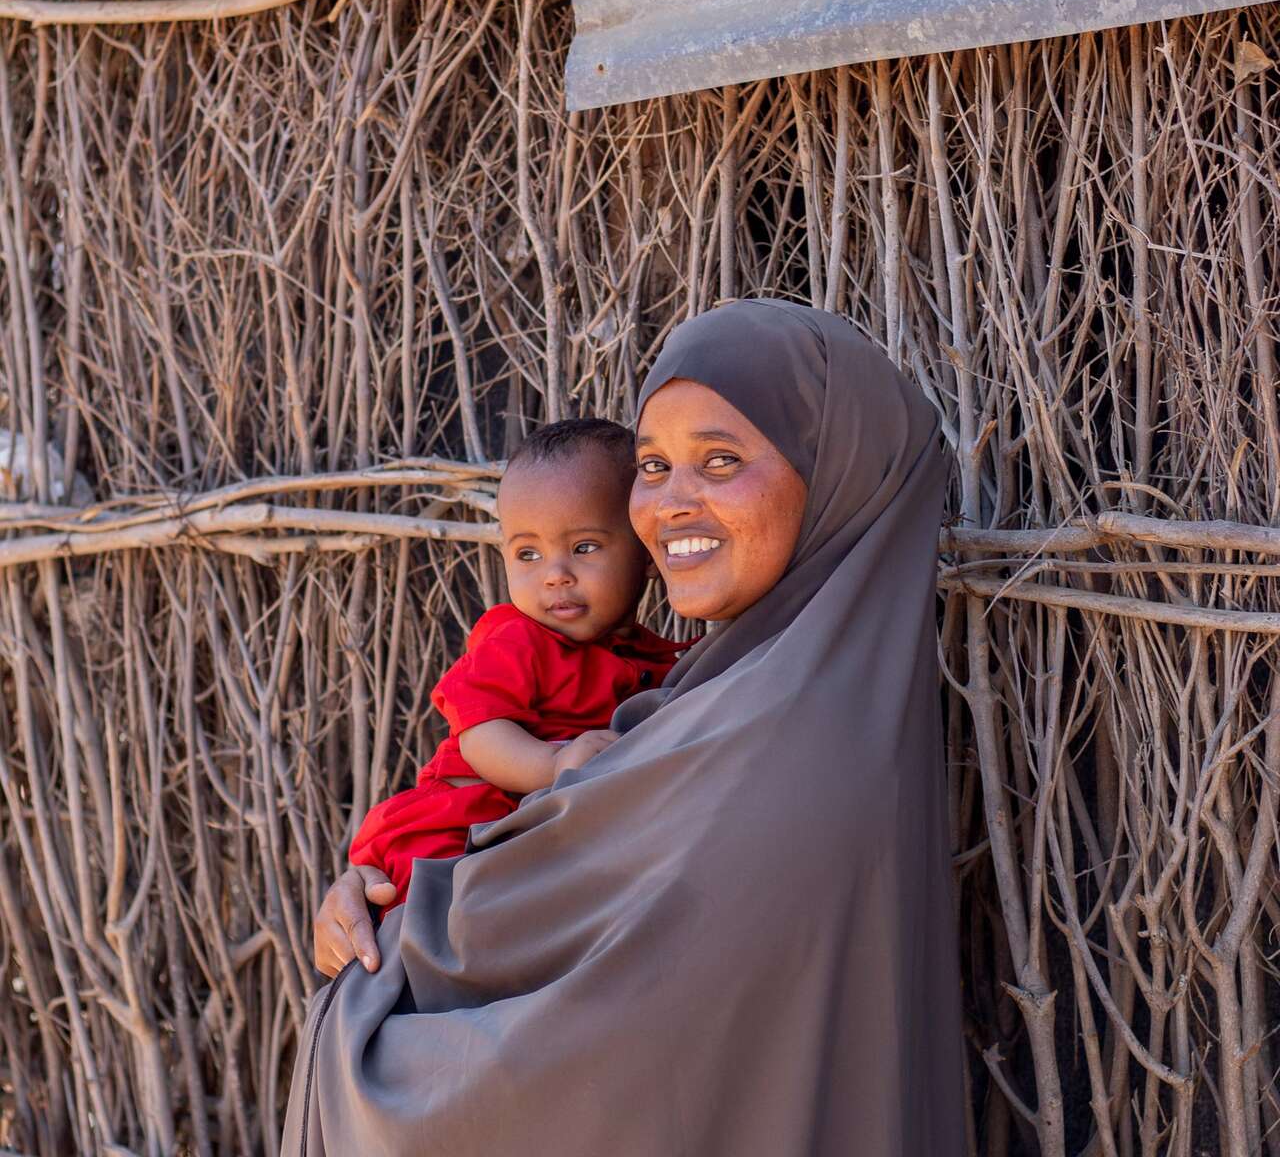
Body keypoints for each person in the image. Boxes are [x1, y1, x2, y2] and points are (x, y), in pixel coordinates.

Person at [286, 299, 965, 1156]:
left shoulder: (784, 750)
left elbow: (592, 1063)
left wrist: (374, 977)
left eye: (720, 460)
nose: (671, 503)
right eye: (653, 465)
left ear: (838, 473)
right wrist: (380, 883)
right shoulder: (729, 695)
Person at [345, 418, 689, 911]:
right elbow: (481, 734)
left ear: (645, 551)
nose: (555, 575)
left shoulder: (651, 660)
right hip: (454, 828)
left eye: (584, 548)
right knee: (445, 919)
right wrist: (553, 764)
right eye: (528, 553)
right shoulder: (515, 638)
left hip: (526, 839)